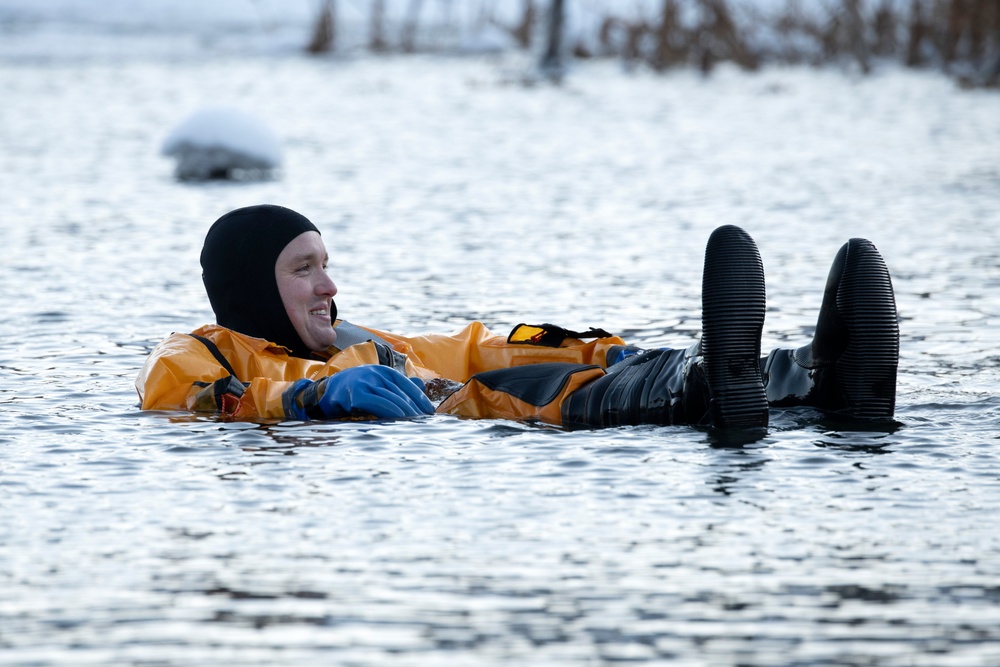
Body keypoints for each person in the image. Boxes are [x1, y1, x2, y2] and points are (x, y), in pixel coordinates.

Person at [136, 204, 899, 429]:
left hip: (478, 398)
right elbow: (197, 403)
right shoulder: (196, 354)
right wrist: (308, 398)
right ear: (251, 286)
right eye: (304, 269)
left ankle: (818, 374)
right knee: (539, 392)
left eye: (326, 262)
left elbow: (482, 342)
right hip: (485, 422)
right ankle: (712, 383)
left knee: (558, 362)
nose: (330, 283)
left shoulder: (358, 340)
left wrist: (592, 342)